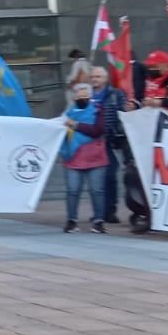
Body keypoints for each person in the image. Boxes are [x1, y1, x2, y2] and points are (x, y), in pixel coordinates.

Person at [61, 82, 109, 233]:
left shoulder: (98, 110)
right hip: (73, 158)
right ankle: (71, 220)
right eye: (79, 95)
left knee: (97, 191)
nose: (82, 98)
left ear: (90, 96)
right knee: (72, 190)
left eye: (85, 95)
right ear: (74, 96)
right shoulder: (67, 114)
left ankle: (98, 221)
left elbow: (97, 130)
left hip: (96, 158)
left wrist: (74, 125)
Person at [88, 67, 126, 225]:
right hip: (90, 141)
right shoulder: (85, 94)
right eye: (92, 76)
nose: (94, 79)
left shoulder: (115, 95)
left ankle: (110, 210)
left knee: (110, 176)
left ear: (105, 78)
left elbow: (123, 113)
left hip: (108, 141)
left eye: (98, 76)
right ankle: (99, 211)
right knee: (95, 179)